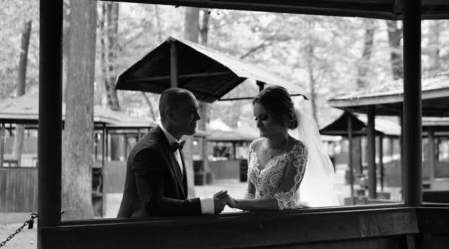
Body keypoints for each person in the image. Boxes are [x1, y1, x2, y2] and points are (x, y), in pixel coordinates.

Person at [218, 85, 338, 211]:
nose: (258, 124)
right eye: (256, 118)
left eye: (264, 118)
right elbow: (250, 192)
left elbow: (282, 200)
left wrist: (236, 203)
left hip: (284, 220)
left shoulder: (297, 149)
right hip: (255, 220)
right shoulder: (254, 146)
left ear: (281, 116)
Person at [118, 88, 226, 218]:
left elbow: (175, 199)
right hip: (138, 235)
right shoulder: (148, 151)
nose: (198, 117)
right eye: (192, 111)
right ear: (170, 114)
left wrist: (210, 201)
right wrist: (205, 205)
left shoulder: (172, 144)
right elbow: (155, 205)